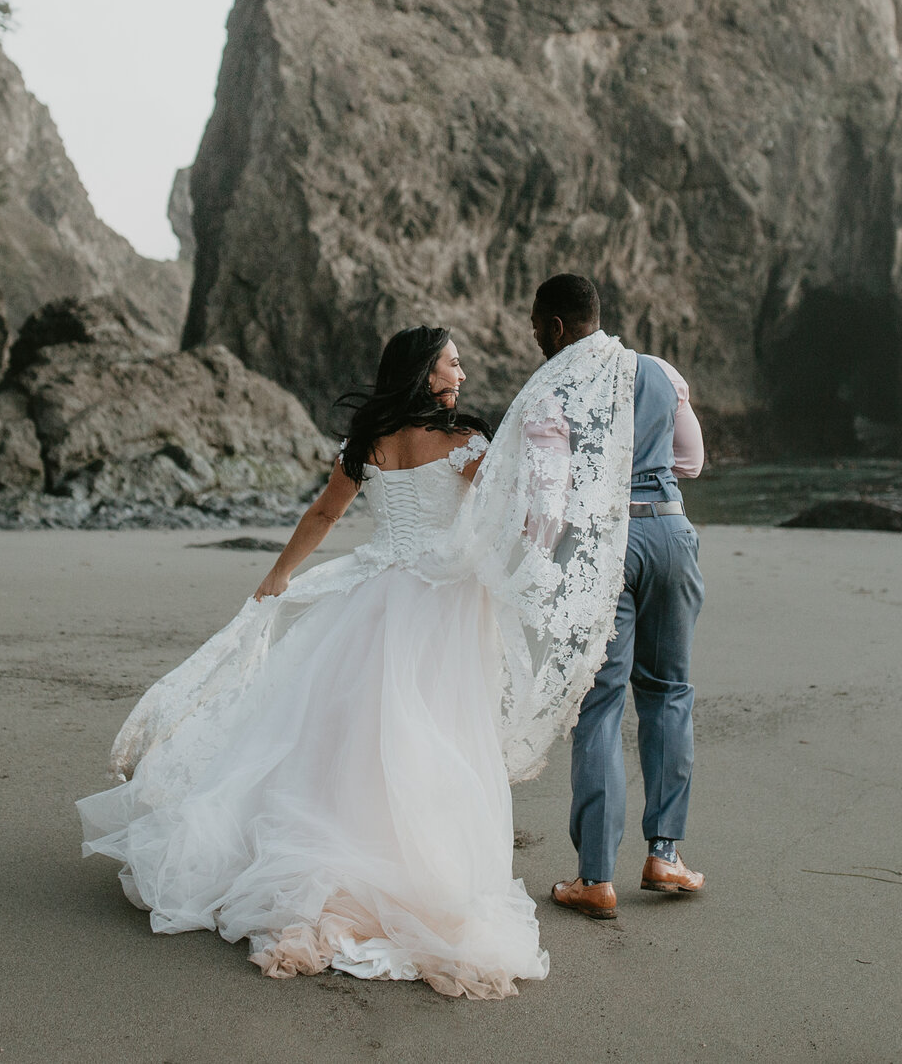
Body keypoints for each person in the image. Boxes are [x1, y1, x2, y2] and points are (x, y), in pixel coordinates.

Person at [78, 317, 637, 999]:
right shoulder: (464, 441)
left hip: (373, 598)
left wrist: (276, 576)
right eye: (453, 364)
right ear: (429, 373)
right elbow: (521, 507)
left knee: (352, 738)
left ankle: (340, 860)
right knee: (431, 740)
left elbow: (322, 516)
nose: (461, 373)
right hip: (440, 609)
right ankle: (410, 873)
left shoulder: (368, 442)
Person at [537, 273, 710, 920]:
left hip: (608, 543)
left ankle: (595, 877)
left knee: (601, 703)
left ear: (556, 326)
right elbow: (691, 461)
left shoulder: (558, 384)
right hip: (669, 533)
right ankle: (665, 851)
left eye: (535, 327)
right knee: (668, 691)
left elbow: (548, 491)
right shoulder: (659, 371)